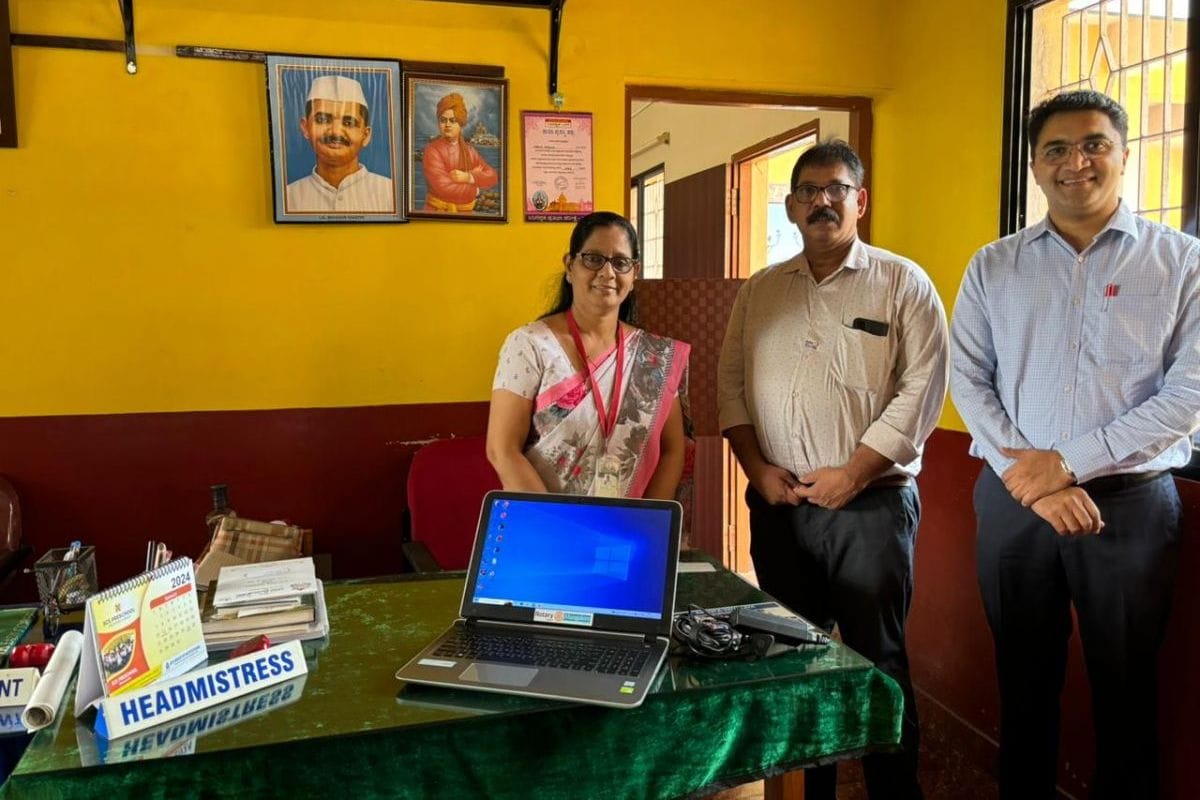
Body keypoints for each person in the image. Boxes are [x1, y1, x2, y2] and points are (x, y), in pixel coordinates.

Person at [951, 89, 1200, 800]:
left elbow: (1188, 397)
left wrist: (1067, 464)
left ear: (1125, 155)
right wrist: (1033, 479)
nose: (1075, 162)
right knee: (1022, 681)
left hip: (1131, 507)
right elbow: (967, 378)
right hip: (1012, 502)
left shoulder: (1182, 263)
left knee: (1127, 686)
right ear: (1034, 166)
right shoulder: (995, 265)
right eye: (1056, 149)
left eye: (1093, 144)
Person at [717, 140, 947, 800]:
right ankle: (806, 793)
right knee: (795, 660)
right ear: (790, 207)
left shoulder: (903, 283)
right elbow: (730, 385)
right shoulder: (761, 291)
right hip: (781, 506)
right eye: (809, 191)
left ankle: (893, 791)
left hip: (870, 508)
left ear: (860, 200)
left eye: (836, 189)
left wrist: (854, 472)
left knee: (877, 661)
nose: (822, 201)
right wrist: (757, 471)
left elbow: (923, 390)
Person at [487, 211, 689, 500]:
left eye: (620, 263)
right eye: (593, 259)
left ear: (634, 275)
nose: (607, 273)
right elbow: (502, 449)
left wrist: (646, 525)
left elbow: (672, 450)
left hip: (626, 533)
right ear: (570, 266)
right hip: (547, 528)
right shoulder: (530, 345)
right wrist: (560, 525)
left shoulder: (654, 356)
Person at [285, 75, 394, 213]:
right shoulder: (289, 197)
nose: (336, 132)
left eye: (349, 123)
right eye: (323, 120)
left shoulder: (390, 194)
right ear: (306, 128)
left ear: (365, 135)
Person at [422, 92, 498, 214]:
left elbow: (493, 176)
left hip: (466, 215)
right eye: (443, 120)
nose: (447, 125)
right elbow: (444, 188)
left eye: (452, 120)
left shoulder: (469, 151)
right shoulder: (432, 150)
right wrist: (476, 189)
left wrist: (467, 177)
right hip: (436, 214)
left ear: (461, 123)